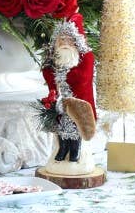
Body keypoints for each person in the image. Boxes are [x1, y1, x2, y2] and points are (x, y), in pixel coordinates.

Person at [41, 19, 97, 165]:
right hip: (59, 102)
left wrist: (63, 73)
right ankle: (63, 148)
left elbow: (83, 78)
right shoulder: (54, 59)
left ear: (76, 41)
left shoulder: (86, 57)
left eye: (68, 39)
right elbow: (48, 75)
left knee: (75, 125)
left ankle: (75, 149)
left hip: (78, 102)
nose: (65, 42)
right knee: (60, 125)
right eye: (61, 39)